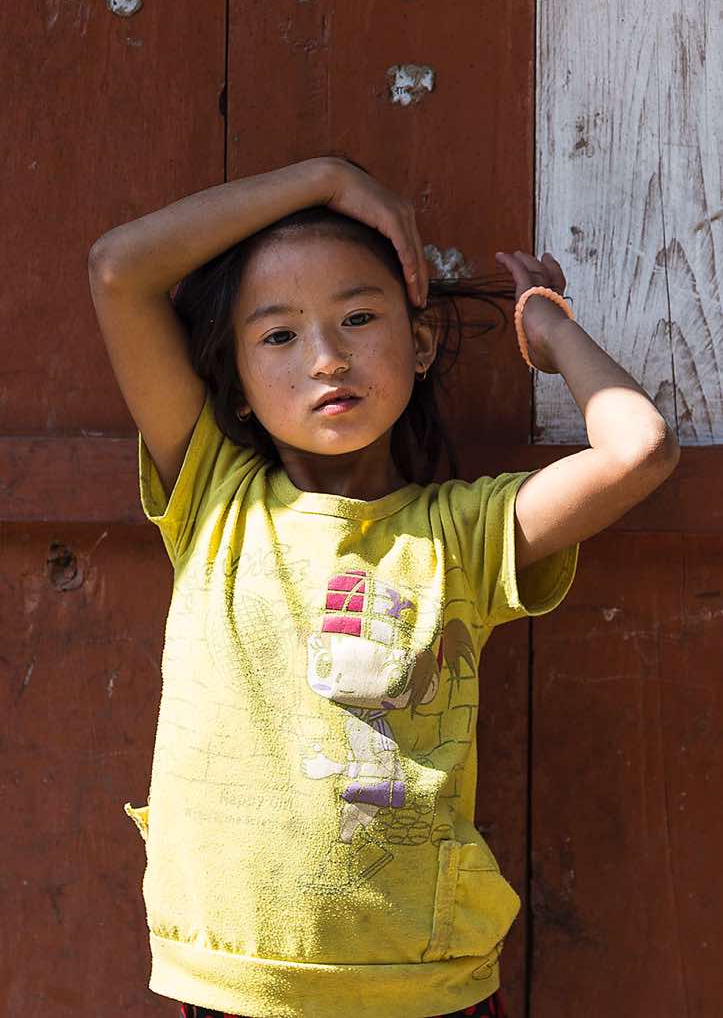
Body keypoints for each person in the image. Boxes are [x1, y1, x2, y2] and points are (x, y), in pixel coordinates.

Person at [88, 156, 680, 1018]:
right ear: (239, 388)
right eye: (279, 336)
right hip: (236, 980)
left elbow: (639, 452)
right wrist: (324, 179)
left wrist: (546, 331)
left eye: (360, 317)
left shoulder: (465, 533)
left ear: (422, 341)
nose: (327, 358)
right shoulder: (214, 498)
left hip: (422, 980)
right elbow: (118, 268)